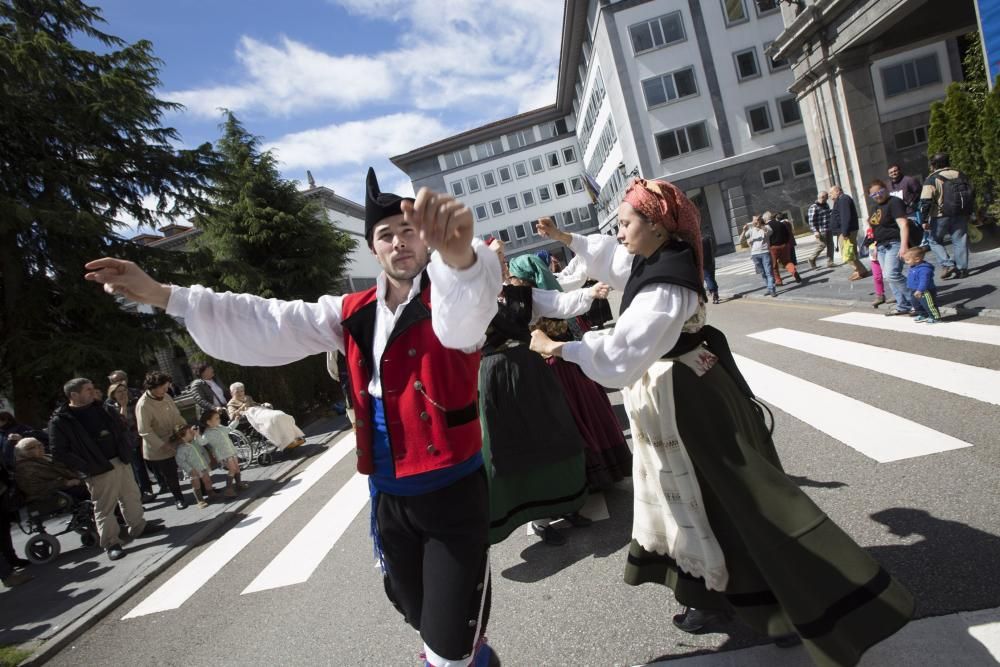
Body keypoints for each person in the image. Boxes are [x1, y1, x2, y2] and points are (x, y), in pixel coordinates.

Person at [84, 168, 503, 667]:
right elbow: (267, 317)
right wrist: (165, 295)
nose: (399, 243)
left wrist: (461, 260)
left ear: (427, 239)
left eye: (409, 231)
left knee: (448, 648)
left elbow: (465, 318)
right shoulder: (350, 311)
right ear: (373, 248)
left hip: (452, 494)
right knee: (419, 615)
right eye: (385, 235)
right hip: (390, 499)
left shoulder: (450, 296)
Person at [531, 177, 913, 666]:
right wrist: (567, 240)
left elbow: (622, 355)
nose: (619, 231)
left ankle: (799, 605)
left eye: (626, 222)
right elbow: (612, 257)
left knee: (734, 501)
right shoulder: (658, 258)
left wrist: (559, 347)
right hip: (687, 393)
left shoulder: (667, 282)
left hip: (690, 404)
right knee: (700, 502)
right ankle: (714, 598)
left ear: (657, 227)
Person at [478, 239, 593, 547]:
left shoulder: (519, 294)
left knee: (559, 434)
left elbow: (558, 303)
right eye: (497, 258)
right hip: (497, 377)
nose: (503, 263)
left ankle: (567, 503)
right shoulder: (471, 302)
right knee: (521, 447)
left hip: (530, 368)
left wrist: (590, 293)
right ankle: (540, 520)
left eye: (503, 257)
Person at [49, 378, 163, 561]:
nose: (92, 392)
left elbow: (121, 427)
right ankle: (111, 542)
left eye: (93, 388)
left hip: (120, 459)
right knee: (104, 507)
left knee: (131, 495)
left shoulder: (103, 407)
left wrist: (125, 447)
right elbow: (59, 451)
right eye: (87, 390)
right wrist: (85, 466)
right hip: (97, 469)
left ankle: (138, 526)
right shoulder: (61, 420)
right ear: (74, 395)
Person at [135, 372, 189, 509]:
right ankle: (178, 498)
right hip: (158, 446)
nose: (166, 390)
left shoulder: (166, 396)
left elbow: (176, 415)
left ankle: (204, 489)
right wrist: (162, 445)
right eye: (163, 388)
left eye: (167, 387)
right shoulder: (143, 405)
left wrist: (186, 429)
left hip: (174, 437)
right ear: (153, 387)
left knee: (191, 462)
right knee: (170, 474)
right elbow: (144, 430)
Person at [919, 152, 972, 279]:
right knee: (960, 240)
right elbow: (971, 193)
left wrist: (924, 219)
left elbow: (925, 201)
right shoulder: (961, 174)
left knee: (934, 240)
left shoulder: (932, 178)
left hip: (940, 215)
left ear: (934, 165)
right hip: (960, 213)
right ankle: (962, 269)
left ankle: (947, 264)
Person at [868, 180, 915, 316]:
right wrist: (875, 245)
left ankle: (917, 300)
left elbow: (903, 224)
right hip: (881, 245)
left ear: (885, 189)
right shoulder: (875, 207)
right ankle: (902, 305)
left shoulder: (894, 202)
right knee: (888, 277)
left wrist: (904, 245)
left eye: (880, 192)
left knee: (892, 274)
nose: (878, 196)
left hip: (894, 243)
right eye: (874, 194)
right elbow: (876, 227)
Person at [107, 382, 155, 503]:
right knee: (137, 467)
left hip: (140, 436)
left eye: (124, 391)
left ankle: (156, 485)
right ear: (113, 395)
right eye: (119, 392)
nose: (123, 394)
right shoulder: (111, 408)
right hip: (127, 442)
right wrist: (122, 406)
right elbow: (120, 424)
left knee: (150, 462)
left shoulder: (134, 402)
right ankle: (144, 491)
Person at [227, 382, 305, 451]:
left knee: (280, 415)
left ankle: (292, 438)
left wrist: (263, 404)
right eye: (237, 392)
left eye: (242, 391)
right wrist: (242, 407)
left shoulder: (248, 397)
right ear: (232, 393)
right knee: (272, 419)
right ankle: (285, 442)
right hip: (252, 416)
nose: (241, 393)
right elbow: (232, 417)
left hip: (260, 411)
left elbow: (256, 404)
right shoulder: (231, 404)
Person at [14, 437, 88, 503]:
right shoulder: (24, 468)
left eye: (40, 444)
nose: (41, 447)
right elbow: (34, 488)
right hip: (56, 495)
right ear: (25, 451)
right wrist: (65, 483)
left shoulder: (45, 456)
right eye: (35, 447)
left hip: (75, 481)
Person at [198, 408, 246, 497]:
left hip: (231, 451)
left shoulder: (220, 427)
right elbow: (201, 442)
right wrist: (196, 435)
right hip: (223, 455)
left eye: (218, 417)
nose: (219, 419)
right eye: (216, 418)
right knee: (232, 470)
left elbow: (229, 429)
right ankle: (229, 489)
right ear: (208, 422)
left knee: (237, 468)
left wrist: (236, 420)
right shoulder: (207, 433)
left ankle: (239, 484)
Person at [170, 424, 216, 508]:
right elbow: (180, 461)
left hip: (202, 466)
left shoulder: (196, 442)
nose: (192, 433)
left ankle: (211, 493)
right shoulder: (181, 449)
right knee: (196, 485)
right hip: (193, 470)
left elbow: (203, 451)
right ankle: (200, 500)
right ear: (182, 436)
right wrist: (189, 469)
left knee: (207, 480)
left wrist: (208, 460)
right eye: (189, 432)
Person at [829, 186, 870, 281]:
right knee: (849, 252)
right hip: (844, 231)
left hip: (847, 231)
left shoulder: (843, 199)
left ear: (838, 191)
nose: (830, 195)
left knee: (847, 252)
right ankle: (858, 270)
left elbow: (845, 216)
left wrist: (845, 232)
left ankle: (860, 270)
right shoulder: (839, 200)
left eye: (831, 193)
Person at [738, 215, 776, 297]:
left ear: (760, 220)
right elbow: (740, 240)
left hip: (765, 252)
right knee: (763, 273)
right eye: (754, 220)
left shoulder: (767, 227)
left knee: (769, 272)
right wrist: (744, 231)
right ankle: (769, 289)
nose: (756, 222)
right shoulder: (751, 230)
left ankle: (772, 289)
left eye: (757, 220)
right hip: (755, 254)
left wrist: (761, 226)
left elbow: (769, 233)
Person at [903, 247, 942, 324]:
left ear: (917, 259)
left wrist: (920, 290)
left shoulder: (924, 269)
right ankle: (924, 314)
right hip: (914, 289)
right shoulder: (914, 267)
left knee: (928, 304)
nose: (906, 262)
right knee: (916, 304)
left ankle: (935, 317)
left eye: (907, 260)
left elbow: (924, 281)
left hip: (924, 290)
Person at [763, 211, 800, 287]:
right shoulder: (781, 224)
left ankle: (778, 281)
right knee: (787, 262)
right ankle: (794, 272)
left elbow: (766, 238)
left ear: (766, 219)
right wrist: (786, 243)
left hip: (773, 247)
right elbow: (787, 234)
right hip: (784, 245)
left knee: (774, 265)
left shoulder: (766, 227)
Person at [806, 191, 834, 269]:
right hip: (821, 230)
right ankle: (811, 259)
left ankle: (830, 262)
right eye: (825, 197)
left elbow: (828, 214)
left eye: (826, 197)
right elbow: (811, 221)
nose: (826, 199)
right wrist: (815, 231)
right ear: (820, 197)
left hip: (828, 228)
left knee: (830, 245)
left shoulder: (826, 205)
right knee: (822, 245)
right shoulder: (813, 207)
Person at [864, 227, 887, 308]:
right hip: (873, 256)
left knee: (889, 275)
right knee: (877, 277)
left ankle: (898, 295)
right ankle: (880, 296)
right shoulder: (870, 230)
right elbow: (867, 242)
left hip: (883, 253)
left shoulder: (883, 227)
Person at [701, 235, 720, 304]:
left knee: (708, 278)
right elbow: (714, 249)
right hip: (712, 261)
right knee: (712, 278)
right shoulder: (708, 238)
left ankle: (713, 293)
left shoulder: (698, 241)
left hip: (704, 263)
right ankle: (716, 293)